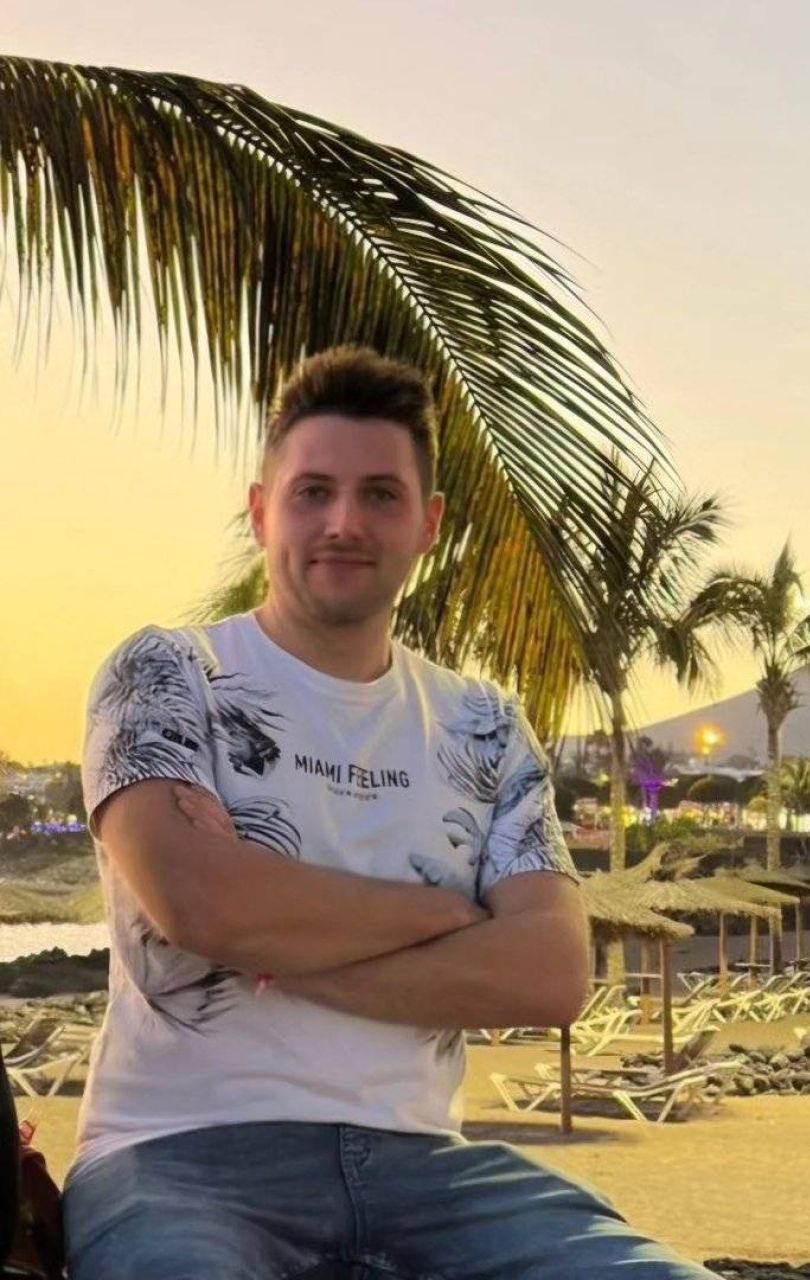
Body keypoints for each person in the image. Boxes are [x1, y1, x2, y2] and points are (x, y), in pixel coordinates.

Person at [66, 345, 718, 1279]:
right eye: (313, 492)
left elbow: (549, 974)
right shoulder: (169, 676)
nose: (344, 522)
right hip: (180, 1157)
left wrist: (273, 939)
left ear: (427, 525)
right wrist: (445, 915)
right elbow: (200, 904)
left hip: (432, 1171)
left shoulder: (484, 725)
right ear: (261, 511)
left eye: (380, 495)